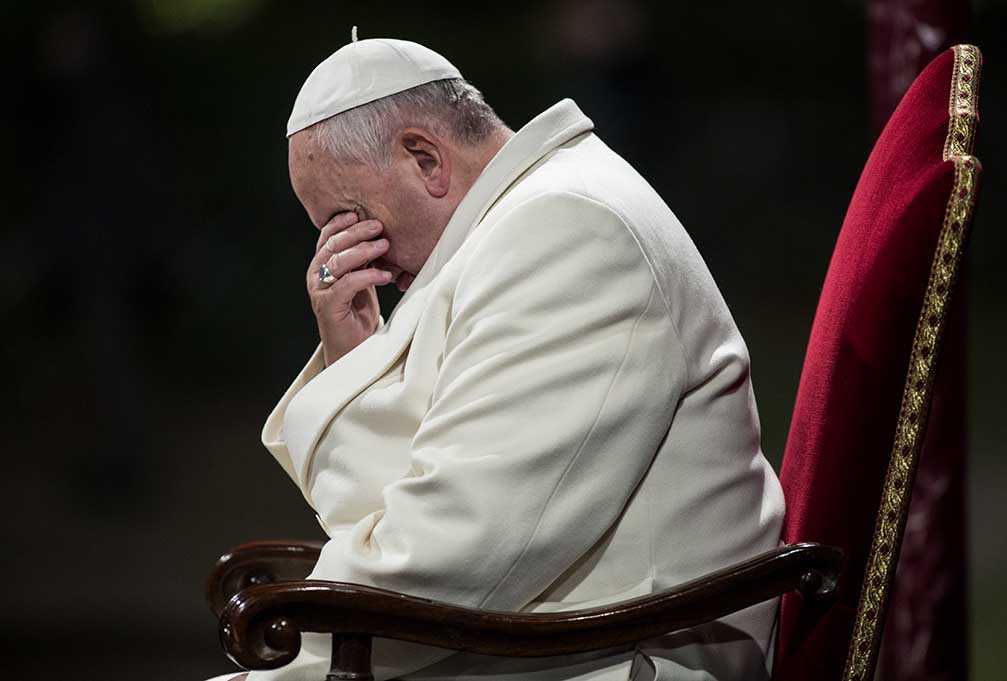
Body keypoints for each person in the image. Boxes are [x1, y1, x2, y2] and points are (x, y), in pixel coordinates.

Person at [207, 31, 785, 681]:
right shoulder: (513, 224)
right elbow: (405, 517)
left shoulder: (566, 228)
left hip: (619, 653)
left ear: (425, 158)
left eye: (350, 216)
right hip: (539, 637)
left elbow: (460, 552)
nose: (350, 254)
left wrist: (296, 640)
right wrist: (353, 357)